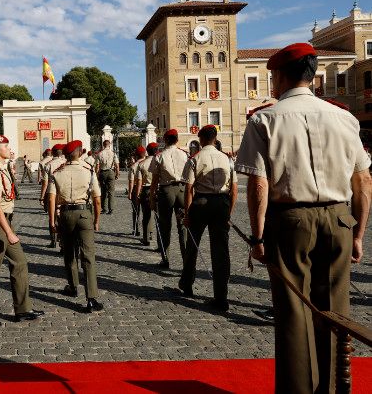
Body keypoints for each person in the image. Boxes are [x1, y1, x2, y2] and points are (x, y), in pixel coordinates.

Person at [235, 43, 372, 394]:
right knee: (336, 312)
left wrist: (258, 236)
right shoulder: (345, 117)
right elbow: (363, 181)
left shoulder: (265, 119)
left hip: (291, 221)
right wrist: (358, 235)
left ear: (280, 76)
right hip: (340, 219)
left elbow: (259, 184)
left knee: (295, 313)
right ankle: (332, 388)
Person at [0, 135, 44, 328]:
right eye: (5, 146)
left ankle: (23, 309)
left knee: (19, 262)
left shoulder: (2, 169)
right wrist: (9, 232)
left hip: (5, 221)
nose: (8, 149)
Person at [178, 125, 238, 311]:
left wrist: (187, 214)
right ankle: (222, 297)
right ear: (215, 138)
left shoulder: (195, 159)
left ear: (200, 139)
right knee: (221, 251)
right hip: (221, 203)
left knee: (192, 246)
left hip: (201, 203)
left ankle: (187, 284)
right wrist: (229, 213)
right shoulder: (227, 160)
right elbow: (234, 190)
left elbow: (189, 188)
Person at [48, 140, 103, 313]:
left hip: (64, 214)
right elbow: (97, 199)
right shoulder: (89, 171)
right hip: (83, 213)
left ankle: (72, 286)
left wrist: (51, 221)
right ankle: (91, 297)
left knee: (69, 253)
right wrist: (96, 219)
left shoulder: (57, 173)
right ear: (79, 152)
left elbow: (51, 198)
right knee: (88, 256)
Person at [149, 129, 188, 268]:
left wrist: (152, 197)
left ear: (165, 140)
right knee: (183, 226)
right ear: (177, 140)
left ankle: (165, 258)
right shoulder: (185, 155)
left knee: (165, 226)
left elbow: (154, 180)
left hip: (166, 191)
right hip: (182, 190)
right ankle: (186, 260)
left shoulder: (160, 156)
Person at [40, 144, 66, 248]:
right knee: (62, 218)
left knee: (52, 217)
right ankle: (63, 242)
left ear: (53, 153)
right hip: (64, 193)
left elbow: (45, 183)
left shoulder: (48, 165)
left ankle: (53, 241)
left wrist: (42, 197)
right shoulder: (66, 163)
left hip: (51, 192)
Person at [137, 143, 158, 246]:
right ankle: (160, 241)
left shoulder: (141, 164)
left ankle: (146, 239)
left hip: (146, 190)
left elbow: (139, 181)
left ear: (147, 151)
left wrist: (138, 194)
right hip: (158, 190)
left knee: (146, 215)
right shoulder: (159, 161)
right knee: (159, 217)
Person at [96, 140, 119, 214]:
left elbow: (97, 166)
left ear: (103, 145)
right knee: (111, 192)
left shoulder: (100, 154)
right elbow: (117, 165)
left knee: (103, 191)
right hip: (111, 172)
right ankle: (111, 209)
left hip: (102, 172)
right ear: (109, 145)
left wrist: (97, 175)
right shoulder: (113, 153)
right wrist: (117, 174)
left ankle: (104, 208)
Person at [128, 147, 144, 238]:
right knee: (147, 212)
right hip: (146, 188)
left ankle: (136, 229)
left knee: (136, 210)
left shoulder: (134, 166)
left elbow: (131, 181)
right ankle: (148, 232)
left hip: (135, 189)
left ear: (136, 156)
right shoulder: (149, 163)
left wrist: (130, 192)